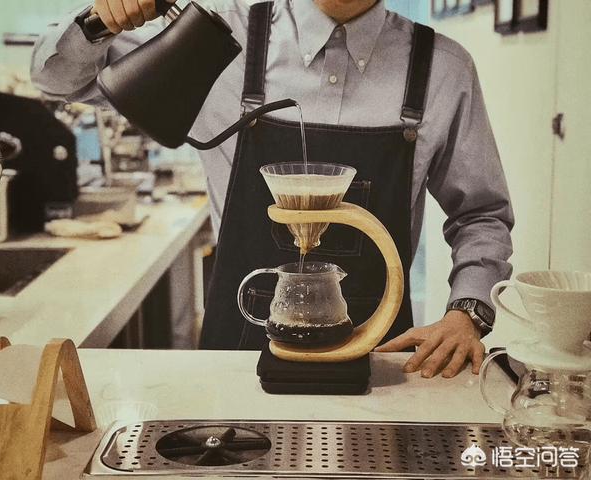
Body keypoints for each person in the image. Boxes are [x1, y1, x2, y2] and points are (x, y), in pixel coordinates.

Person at [31, 0, 514, 378]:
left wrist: (467, 312)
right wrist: (101, 20)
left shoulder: (443, 68)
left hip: (382, 362)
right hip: (235, 361)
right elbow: (58, 82)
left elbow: (481, 214)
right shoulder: (217, 36)